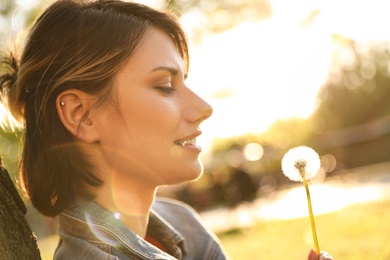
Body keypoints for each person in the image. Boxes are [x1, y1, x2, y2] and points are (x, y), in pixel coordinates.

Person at [0, 0, 333, 259]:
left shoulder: (181, 222)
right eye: (164, 85)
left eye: (184, 81)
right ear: (82, 115)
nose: (204, 108)